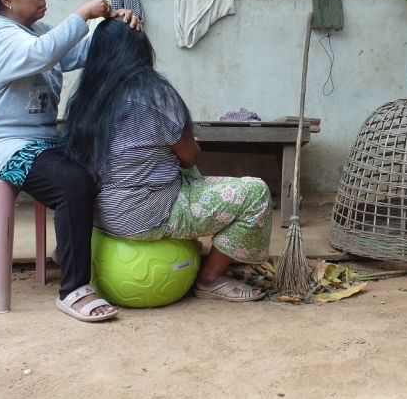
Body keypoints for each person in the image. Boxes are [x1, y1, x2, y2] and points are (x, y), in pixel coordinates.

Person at [0, 0, 141, 322]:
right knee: (71, 182)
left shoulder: (39, 30)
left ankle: (66, 251)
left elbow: (76, 52)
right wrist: (82, 14)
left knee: (101, 165)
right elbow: (41, 55)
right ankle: (73, 290)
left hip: (40, 142)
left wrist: (118, 25)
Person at [62, 17, 272, 302]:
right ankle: (210, 279)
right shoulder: (155, 95)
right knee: (256, 193)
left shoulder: (85, 99)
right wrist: (188, 145)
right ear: (142, 52)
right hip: (147, 214)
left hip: (100, 215)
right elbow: (189, 158)